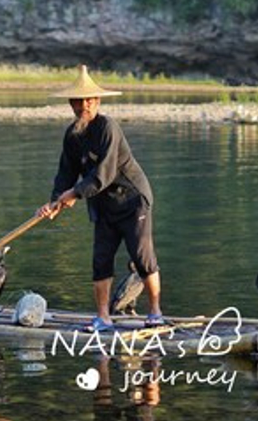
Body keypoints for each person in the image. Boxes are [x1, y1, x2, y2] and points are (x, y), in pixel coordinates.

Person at [37, 65, 165, 332]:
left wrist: (74, 194)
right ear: (72, 104)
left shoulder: (108, 127)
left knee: (142, 257)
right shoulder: (72, 135)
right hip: (103, 206)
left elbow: (103, 174)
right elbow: (66, 173)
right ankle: (103, 318)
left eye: (89, 100)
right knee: (100, 260)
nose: (84, 105)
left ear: (97, 102)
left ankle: (155, 311)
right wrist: (53, 203)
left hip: (132, 200)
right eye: (79, 101)